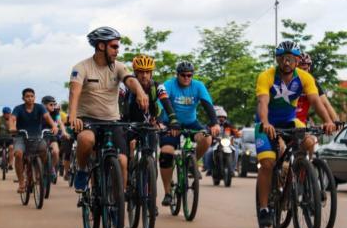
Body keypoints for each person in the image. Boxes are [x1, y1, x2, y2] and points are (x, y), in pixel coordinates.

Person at [255, 41, 336, 227]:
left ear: (297, 60)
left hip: (290, 120)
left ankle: (303, 179)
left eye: (291, 59)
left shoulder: (305, 77)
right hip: (266, 122)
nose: (286, 62)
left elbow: (316, 101)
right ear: (277, 59)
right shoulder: (266, 76)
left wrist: (328, 121)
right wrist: (266, 123)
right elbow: (263, 103)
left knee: (309, 143)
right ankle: (264, 208)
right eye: (283, 58)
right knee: (267, 163)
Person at [68, 26, 149, 194]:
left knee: (122, 161)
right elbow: (74, 92)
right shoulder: (81, 67)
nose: (117, 51)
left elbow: (130, 80)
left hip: (112, 121)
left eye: (117, 46)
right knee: (86, 140)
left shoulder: (118, 66)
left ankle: (117, 203)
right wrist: (73, 117)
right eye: (114, 46)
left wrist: (140, 91)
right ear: (101, 46)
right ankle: (82, 171)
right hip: (88, 119)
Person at [158, 61, 221, 207]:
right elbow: (161, 105)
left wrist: (215, 123)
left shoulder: (198, 86)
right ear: (177, 75)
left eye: (189, 75)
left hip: (191, 123)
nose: (186, 78)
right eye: (183, 75)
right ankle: (168, 192)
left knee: (207, 139)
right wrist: (161, 122)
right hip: (171, 124)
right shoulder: (169, 85)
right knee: (166, 153)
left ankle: (191, 164)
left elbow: (207, 105)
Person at [9, 88, 58, 193]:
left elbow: (47, 117)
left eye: (32, 96)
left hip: (37, 137)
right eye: (27, 96)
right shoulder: (18, 108)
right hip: (21, 136)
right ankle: (21, 182)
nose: (30, 98)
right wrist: (12, 127)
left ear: (34, 97)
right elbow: (12, 119)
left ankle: (39, 172)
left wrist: (54, 126)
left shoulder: (40, 107)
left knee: (44, 149)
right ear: (23, 98)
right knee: (18, 154)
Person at [295, 53, 339, 126]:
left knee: (312, 137)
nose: (302, 72)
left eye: (305, 69)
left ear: (309, 68)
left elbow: (325, 104)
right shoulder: (288, 80)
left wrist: (336, 122)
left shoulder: (311, 82)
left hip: (302, 124)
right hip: (285, 123)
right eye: (300, 69)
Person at [203, 106, 240, 176]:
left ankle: (232, 169)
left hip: (227, 144)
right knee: (208, 152)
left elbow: (236, 132)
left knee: (236, 151)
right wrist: (208, 135)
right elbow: (204, 133)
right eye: (219, 117)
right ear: (215, 117)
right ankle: (209, 169)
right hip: (214, 144)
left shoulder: (229, 125)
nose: (221, 118)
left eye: (223, 117)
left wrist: (238, 134)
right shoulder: (210, 125)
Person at [41, 96, 70, 180]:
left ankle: (52, 168)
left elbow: (60, 123)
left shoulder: (56, 112)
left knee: (56, 152)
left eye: (54, 104)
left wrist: (64, 132)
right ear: (44, 105)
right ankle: (39, 169)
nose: (53, 106)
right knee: (40, 152)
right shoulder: (39, 111)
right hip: (40, 135)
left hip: (51, 134)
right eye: (51, 105)